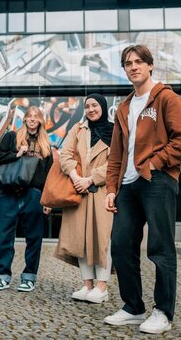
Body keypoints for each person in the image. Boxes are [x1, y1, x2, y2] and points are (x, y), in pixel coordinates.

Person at [103, 44, 181, 334]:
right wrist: (110, 187)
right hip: (127, 186)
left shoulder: (166, 98)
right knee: (119, 245)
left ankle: (163, 312)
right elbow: (116, 153)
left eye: (139, 62)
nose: (133, 67)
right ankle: (133, 307)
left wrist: (155, 163)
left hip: (157, 181)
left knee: (160, 247)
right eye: (128, 63)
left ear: (150, 65)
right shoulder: (125, 106)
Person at [54, 94, 114, 304]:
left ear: (103, 107)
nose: (90, 109)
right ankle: (87, 284)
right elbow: (65, 155)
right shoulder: (78, 129)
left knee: (102, 238)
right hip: (77, 190)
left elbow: (117, 161)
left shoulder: (115, 130)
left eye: (95, 105)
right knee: (80, 237)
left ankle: (102, 286)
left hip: (103, 192)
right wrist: (77, 178)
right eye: (87, 106)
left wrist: (91, 179)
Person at [0, 106, 52, 292]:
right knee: (4, 236)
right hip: (9, 193)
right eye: (29, 116)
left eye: (36, 117)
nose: (32, 119)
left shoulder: (46, 144)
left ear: (41, 120)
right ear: (24, 119)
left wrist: (48, 200)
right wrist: (16, 154)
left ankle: (29, 277)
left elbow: (49, 175)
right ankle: (2, 276)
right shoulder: (12, 136)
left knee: (34, 238)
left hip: (34, 194)